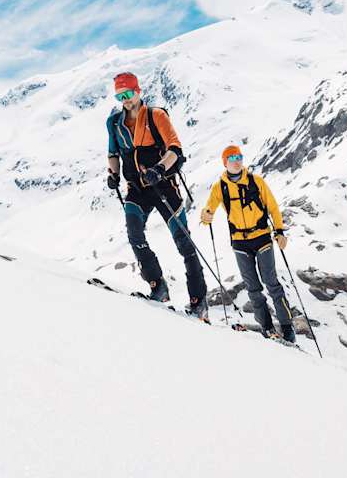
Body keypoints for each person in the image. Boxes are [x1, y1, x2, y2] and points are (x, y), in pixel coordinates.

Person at [105, 72, 208, 320]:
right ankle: (157, 285)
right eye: (120, 96)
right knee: (134, 233)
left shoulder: (156, 116)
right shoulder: (114, 123)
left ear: (138, 91)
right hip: (136, 189)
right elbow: (113, 154)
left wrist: (159, 169)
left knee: (183, 242)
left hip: (163, 187)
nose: (125, 100)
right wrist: (113, 175)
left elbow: (175, 148)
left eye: (128, 94)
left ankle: (198, 300)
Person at [200, 145, 295, 342]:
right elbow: (210, 206)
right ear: (225, 162)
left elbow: (273, 207)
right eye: (232, 157)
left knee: (271, 283)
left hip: (261, 237)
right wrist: (206, 215)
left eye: (239, 157)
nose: (237, 160)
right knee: (253, 288)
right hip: (240, 243)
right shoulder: (220, 187)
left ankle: (287, 327)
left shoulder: (256, 181)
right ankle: (267, 327)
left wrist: (279, 231)